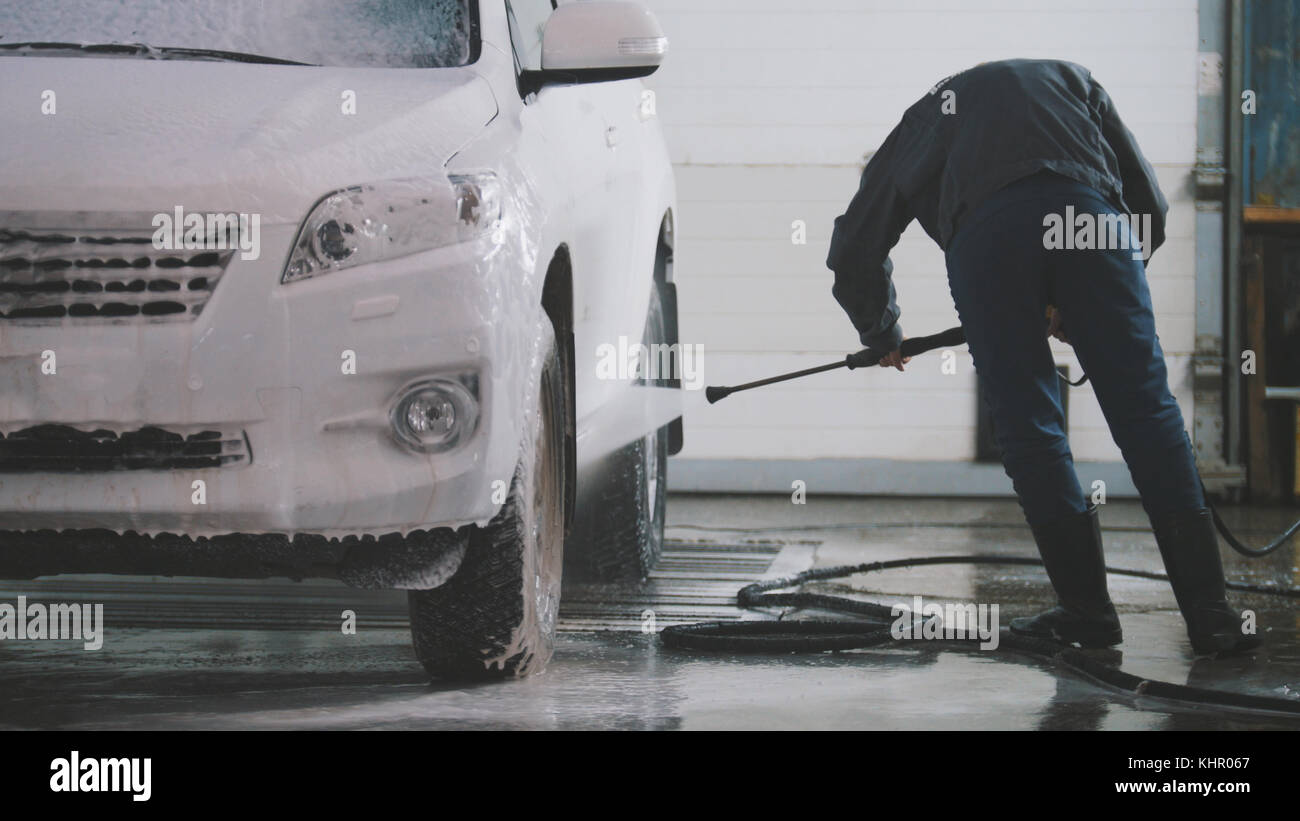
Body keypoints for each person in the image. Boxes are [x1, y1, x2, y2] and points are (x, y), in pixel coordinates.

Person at [826, 59, 1258, 655]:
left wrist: (882, 331)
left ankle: (1086, 616)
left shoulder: (928, 114)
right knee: (1149, 415)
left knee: (1032, 429)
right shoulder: (1072, 80)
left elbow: (856, 243)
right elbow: (1148, 207)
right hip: (1096, 226)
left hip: (991, 238)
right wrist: (1091, 304)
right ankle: (1213, 618)